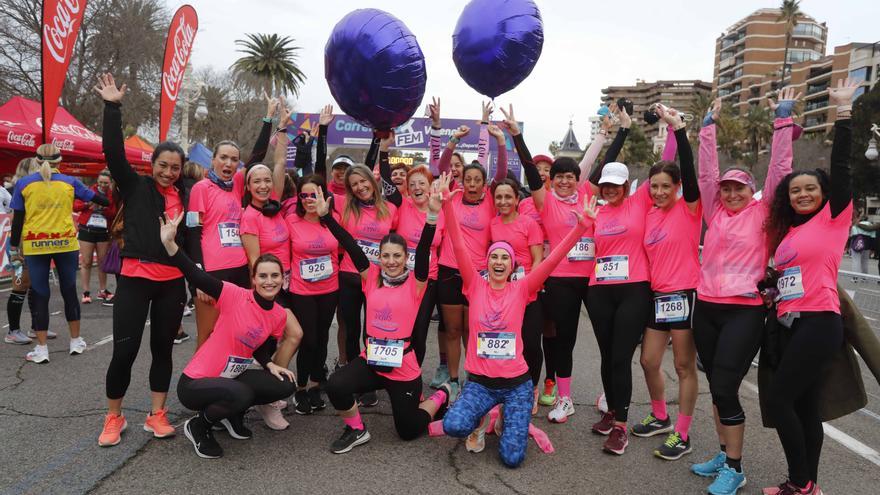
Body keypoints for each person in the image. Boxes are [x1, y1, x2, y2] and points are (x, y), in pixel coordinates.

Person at [440, 172, 596, 468]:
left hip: (515, 385)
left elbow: (551, 260)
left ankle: (508, 418)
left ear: (512, 265)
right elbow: (459, 245)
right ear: (486, 262)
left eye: (504, 259)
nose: (498, 262)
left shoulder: (523, 288)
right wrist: (448, 204)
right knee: (453, 426)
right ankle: (480, 416)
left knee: (512, 458)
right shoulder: (474, 285)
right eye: (494, 257)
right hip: (480, 384)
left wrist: (580, 228)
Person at [690, 87, 797, 495]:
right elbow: (705, 172)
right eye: (727, 188)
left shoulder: (765, 210)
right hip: (708, 307)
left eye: (739, 188)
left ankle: (735, 468)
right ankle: (723, 452)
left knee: (723, 386)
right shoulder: (714, 210)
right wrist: (706, 128)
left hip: (745, 310)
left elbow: (779, 171)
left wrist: (782, 121)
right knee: (717, 387)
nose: (731, 193)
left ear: (749, 191)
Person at [760, 78, 860, 495]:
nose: (801, 194)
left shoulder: (834, 219)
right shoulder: (789, 234)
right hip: (788, 323)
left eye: (810, 189)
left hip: (819, 321)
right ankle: (806, 484)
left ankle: (800, 484)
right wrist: (770, 285)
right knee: (802, 407)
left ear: (824, 194)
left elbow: (841, 167)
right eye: (795, 190)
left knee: (780, 400)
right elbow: (786, 279)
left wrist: (842, 114)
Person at [503, 103, 628, 425]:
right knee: (564, 340)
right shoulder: (546, 203)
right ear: (552, 181)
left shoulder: (589, 193)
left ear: (578, 179)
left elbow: (601, 163)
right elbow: (531, 173)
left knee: (607, 338)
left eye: (570, 177)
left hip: (596, 279)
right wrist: (517, 137)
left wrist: (617, 132)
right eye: (558, 178)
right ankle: (565, 398)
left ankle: (608, 394)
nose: (564, 182)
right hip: (560, 280)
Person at [316, 182, 451, 454]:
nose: (391, 261)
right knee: (336, 386)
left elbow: (423, 250)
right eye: (385, 255)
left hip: (403, 365)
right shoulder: (371, 276)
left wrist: (432, 216)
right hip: (372, 360)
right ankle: (356, 429)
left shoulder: (417, 282)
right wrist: (325, 217)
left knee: (408, 430)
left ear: (405, 258)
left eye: (397, 256)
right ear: (379, 257)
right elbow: (350, 244)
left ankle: (442, 395)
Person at [157, 212, 302, 460]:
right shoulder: (234, 295)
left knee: (284, 384)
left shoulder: (278, 314)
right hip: (196, 383)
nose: (269, 281)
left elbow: (259, 346)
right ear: (254, 279)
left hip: (233, 377)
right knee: (241, 394)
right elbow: (196, 275)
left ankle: (229, 414)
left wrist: (269, 364)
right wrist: (171, 245)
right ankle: (199, 426)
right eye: (263, 276)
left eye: (275, 276)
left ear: (282, 279)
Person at [94, 73, 189, 447]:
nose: (168, 172)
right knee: (125, 350)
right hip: (134, 279)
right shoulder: (135, 187)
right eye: (163, 165)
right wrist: (112, 107)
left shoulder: (186, 196)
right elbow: (113, 153)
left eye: (175, 167)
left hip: (171, 284)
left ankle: (157, 414)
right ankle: (113, 416)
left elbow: (191, 243)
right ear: (152, 164)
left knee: (163, 350)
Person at [632, 107, 700, 461]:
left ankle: (683, 433)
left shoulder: (689, 208)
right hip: (658, 297)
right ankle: (661, 415)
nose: (658, 192)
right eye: (654, 186)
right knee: (648, 360)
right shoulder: (650, 213)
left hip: (685, 293)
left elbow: (686, 167)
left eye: (665, 186)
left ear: (678, 187)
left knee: (684, 366)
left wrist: (680, 131)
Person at [186, 96, 276, 348]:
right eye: (223, 157)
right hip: (213, 271)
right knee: (208, 334)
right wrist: (198, 278)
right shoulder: (200, 189)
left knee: (236, 331)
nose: (228, 163)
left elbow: (257, 158)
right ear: (212, 159)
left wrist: (268, 118)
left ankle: (229, 384)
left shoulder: (237, 184)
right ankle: (199, 384)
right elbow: (192, 234)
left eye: (233, 159)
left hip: (239, 269)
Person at [10, 143, 109, 364]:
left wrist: (15, 247)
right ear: (59, 162)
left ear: (36, 161)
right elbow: (100, 199)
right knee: (69, 291)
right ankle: (75, 341)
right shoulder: (70, 182)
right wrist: (109, 195)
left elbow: (17, 220)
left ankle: (42, 349)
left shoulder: (24, 184)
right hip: (65, 244)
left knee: (40, 293)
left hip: (36, 246)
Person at [436, 101, 507, 400]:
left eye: (478, 180)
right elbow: (440, 167)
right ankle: (453, 380)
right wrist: (453, 140)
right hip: (449, 271)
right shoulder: (450, 196)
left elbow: (501, 171)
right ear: (461, 181)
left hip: (478, 275)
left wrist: (497, 139)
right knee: (452, 330)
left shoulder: (491, 199)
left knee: (472, 331)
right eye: (469, 180)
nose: (473, 184)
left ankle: (473, 378)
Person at [489, 178, 544, 413]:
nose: (503, 201)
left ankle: (531, 389)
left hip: (527, 293)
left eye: (508, 197)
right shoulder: (493, 224)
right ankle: (506, 389)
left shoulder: (529, 223)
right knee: (508, 343)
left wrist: (531, 285)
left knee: (530, 344)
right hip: (503, 295)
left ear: (517, 199)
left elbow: (538, 259)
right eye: (499, 197)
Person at [516, 152, 558, 407]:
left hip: (553, 273)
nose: (541, 172)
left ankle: (550, 380)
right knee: (528, 335)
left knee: (550, 332)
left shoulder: (554, 201)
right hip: (528, 277)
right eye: (538, 168)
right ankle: (526, 384)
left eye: (546, 169)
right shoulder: (523, 205)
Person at [4, 159, 39, 345]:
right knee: (19, 285)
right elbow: (16, 220)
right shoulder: (17, 189)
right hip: (19, 245)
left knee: (35, 285)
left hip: (34, 243)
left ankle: (37, 327)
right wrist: (15, 249)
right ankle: (12, 331)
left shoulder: (35, 189)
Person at [75, 169, 117, 306]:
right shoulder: (88, 191)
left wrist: (103, 209)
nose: (103, 185)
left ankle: (103, 290)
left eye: (106, 183)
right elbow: (75, 206)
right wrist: (88, 205)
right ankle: (86, 292)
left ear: (110, 183)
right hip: (87, 229)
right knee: (86, 262)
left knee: (102, 262)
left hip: (103, 231)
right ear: (97, 181)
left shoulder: (112, 195)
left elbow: (114, 213)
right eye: (100, 182)